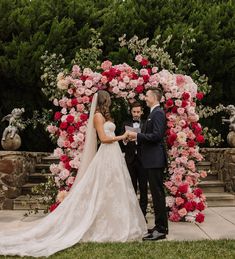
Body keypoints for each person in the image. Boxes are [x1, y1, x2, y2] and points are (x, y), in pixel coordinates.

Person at [0, 90, 147, 257]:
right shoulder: (98, 116)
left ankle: (117, 223)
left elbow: (110, 136)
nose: (111, 102)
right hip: (106, 154)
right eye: (109, 99)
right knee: (103, 187)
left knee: (115, 188)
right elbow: (104, 139)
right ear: (105, 100)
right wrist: (123, 136)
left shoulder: (105, 116)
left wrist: (122, 138)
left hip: (114, 155)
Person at [128, 87, 168, 241]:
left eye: (147, 95)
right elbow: (150, 135)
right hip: (151, 160)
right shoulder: (153, 113)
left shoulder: (157, 113)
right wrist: (136, 137)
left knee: (157, 195)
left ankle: (161, 229)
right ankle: (159, 226)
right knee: (156, 194)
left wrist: (137, 135)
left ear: (155, 97)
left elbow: (157, 136)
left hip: (155, 159)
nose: (145, 97)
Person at [120, 102, 148, 219]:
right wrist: (125, 140)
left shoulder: (146, 123)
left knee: (143, 188)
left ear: (141, 112)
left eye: (138, 112)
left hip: (143, 159)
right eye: (134, 112)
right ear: (131, 112)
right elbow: (121, 143)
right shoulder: (125, 124)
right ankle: (131, 215)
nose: (136, 114)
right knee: (131, 187)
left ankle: (142, 215)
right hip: (130, 159)